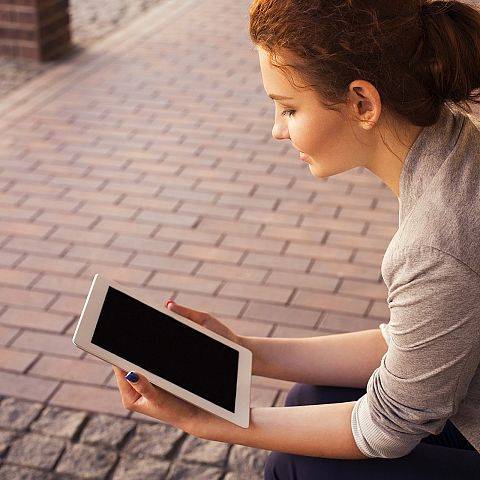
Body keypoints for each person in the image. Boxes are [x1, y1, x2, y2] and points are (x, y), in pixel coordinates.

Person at [112, 0, 480, 478]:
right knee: (309, 397)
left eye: (288, 108)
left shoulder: (434, 240)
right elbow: (419, 339)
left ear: (362, 103)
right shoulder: (454, 146)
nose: (277, 131)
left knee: (295, 467)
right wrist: (245, 351)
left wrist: (205, 421)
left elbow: (390, 426)